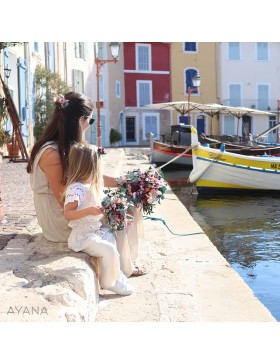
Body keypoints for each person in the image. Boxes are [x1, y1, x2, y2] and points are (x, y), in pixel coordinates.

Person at [27, 91, 146, 276]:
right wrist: (100, 211)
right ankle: (124, 267)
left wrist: (125, 183)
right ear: (82, 119)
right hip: (60, 219)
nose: (89, 126)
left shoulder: (67, 146)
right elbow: (62, 199)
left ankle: (127, 261)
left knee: (129, 205)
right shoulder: (51, 153)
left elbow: (88, 176)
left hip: (71, 209)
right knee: (121, 213)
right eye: (90, 121)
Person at [62, 142, 133, 295]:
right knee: (109, 250)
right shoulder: (76, 189)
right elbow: (68, 213)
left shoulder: (90, 186)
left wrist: (119, 216)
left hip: (94, 232)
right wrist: (88, 211)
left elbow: (101, 210)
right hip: (82, 237)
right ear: (89, 167)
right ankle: (108, 282)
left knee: (111, 236)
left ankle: (116, 273)